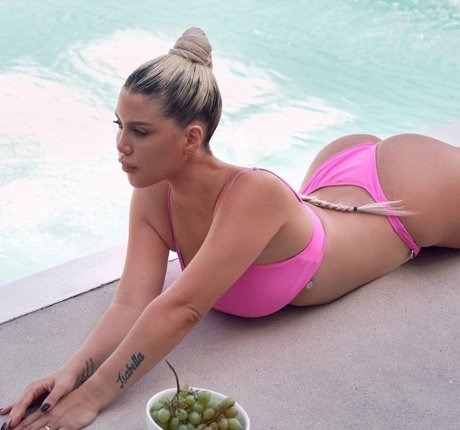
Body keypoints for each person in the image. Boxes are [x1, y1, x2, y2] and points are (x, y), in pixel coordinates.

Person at [1, 27, 459, 430]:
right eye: (120, 126)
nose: (121, 145)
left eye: (140, 132)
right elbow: (132, 302)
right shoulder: (154, 193)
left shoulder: (253, 194)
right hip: (335, 177)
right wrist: (71, 374)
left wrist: (93, 398)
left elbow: (182, 308)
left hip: (412, 192)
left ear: (191, 137)